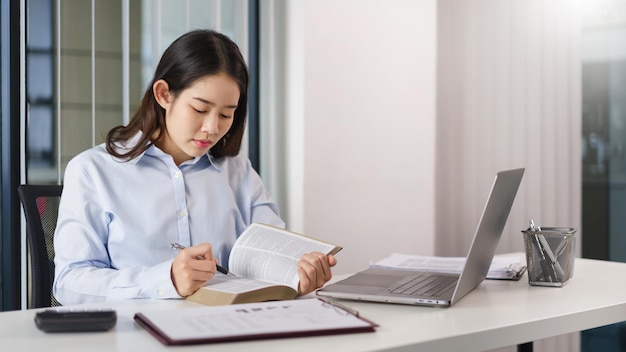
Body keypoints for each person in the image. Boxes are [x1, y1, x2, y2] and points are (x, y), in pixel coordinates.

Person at [53, 29, 336, 305]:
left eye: (227, 114)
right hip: (137, 335)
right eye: (200, 109)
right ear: (164, 94)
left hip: (231, 328)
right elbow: (69, 283)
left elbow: (273, 253)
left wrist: (296, 274)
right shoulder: (92, 171)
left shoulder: (237, 171)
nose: (212, 128)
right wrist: (166, 280)